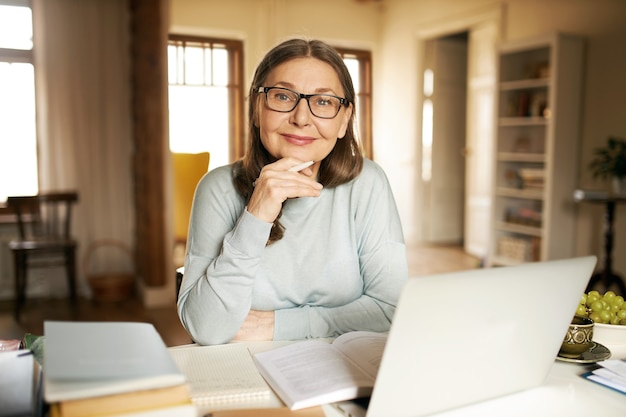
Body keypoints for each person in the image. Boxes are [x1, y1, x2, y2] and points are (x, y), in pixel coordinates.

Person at [177, 38, 408, 345]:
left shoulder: (368, 182)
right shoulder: (217, 188)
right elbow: (206, 329)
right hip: (243, 368)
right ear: (258, 109)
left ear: (344, 121)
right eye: (283, 96)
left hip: (342, 365)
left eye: (323, 102)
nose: (301, 118)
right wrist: (255, 216)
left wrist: (278, 326)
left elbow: (391, 311)